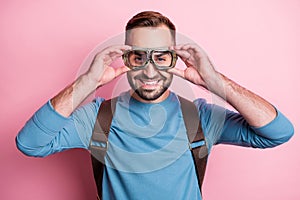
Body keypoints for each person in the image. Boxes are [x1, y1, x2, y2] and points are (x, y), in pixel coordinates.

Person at [16, 11, 294, 200]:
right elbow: (30, 143)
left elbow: (278, 132)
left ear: (174, 60)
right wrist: (88, 82)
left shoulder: (199, 117)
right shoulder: (99, 118)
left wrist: (214, 81)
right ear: (126, 60)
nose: (150, 71)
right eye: (139, 57)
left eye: (161, 57)